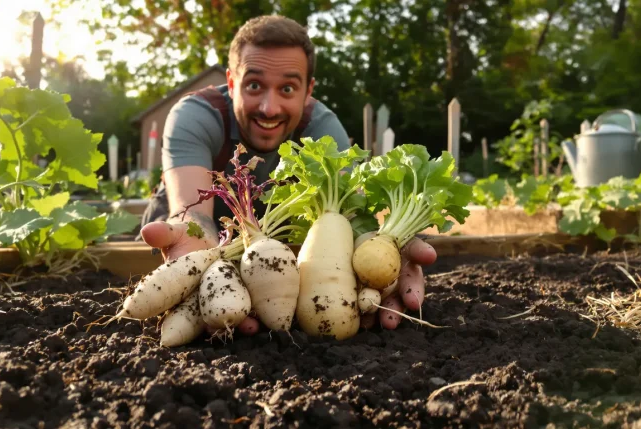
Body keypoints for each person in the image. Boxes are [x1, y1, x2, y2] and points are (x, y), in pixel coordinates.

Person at [139, 14, 436, 335]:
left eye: (288, 88)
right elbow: (194, 214)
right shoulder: (198, 115)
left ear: (308, 91)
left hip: (275, 256)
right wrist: (193, 250)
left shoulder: (322, 129)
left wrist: (385, 253)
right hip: (211, 243)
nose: (269, 108)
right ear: (232, 82)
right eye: (254, 85)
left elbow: (350, 216)